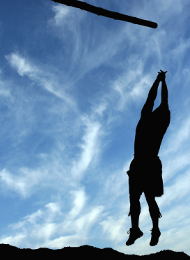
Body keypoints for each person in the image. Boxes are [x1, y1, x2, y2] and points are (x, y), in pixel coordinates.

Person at [126, 70, 170, 246]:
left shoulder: (149, 120)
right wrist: (161, 81)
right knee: (136, 199)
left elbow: (155, 98)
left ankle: (154, 230)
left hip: (147, 163)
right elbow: (160, 100)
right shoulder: (156, 121)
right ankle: (137, 229)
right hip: (141, 162)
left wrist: (159, 80)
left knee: (147, 198)